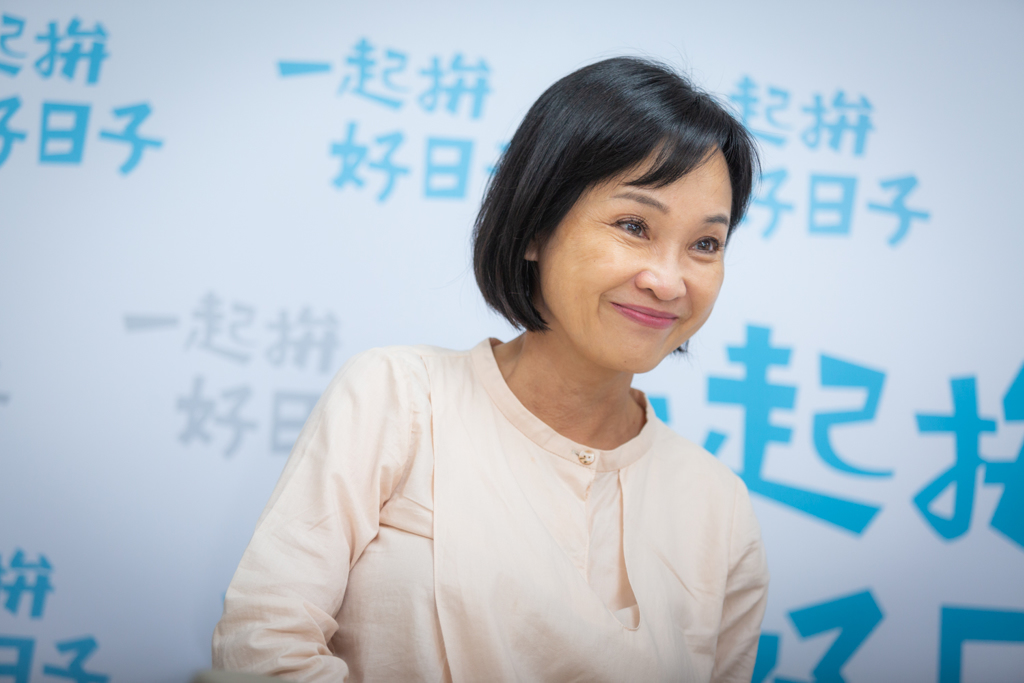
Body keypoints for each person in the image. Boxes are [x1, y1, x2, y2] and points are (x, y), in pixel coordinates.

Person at [213, 56, 769, 682]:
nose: (667, 281)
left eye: (705, 244)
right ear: (534, 227)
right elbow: (262, 646)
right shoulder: (398, 399)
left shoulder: (719, 506)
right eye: (634, 225)